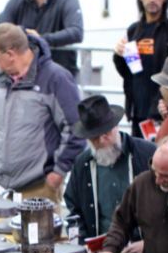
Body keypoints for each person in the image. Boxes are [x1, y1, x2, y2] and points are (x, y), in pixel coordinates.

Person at [0, 23, 84, 206]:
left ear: (10, 54)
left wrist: (58, 172)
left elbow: (76, 128)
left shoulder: (56, 78)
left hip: (38, 188)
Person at [65, 95, 156, 241]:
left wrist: (150, 243)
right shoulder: (82, 165)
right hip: (100, 250)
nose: (101, 141)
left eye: (106, 133)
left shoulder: (147, 154)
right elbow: (74, 213)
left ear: (116, 126)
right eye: (94, 137)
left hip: (144, 249)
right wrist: (77, 244)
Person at [113, 0, 168, 138]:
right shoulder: (134, 30)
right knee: (139, 158)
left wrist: (163, 105)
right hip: (137, 110)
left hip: (163, 111)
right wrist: (118, 56)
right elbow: (129, 72)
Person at [0, 0, 83, 77]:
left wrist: (41, 40)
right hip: (24, 75)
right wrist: (20, 33)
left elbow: (76, 32)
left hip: (57, 75)